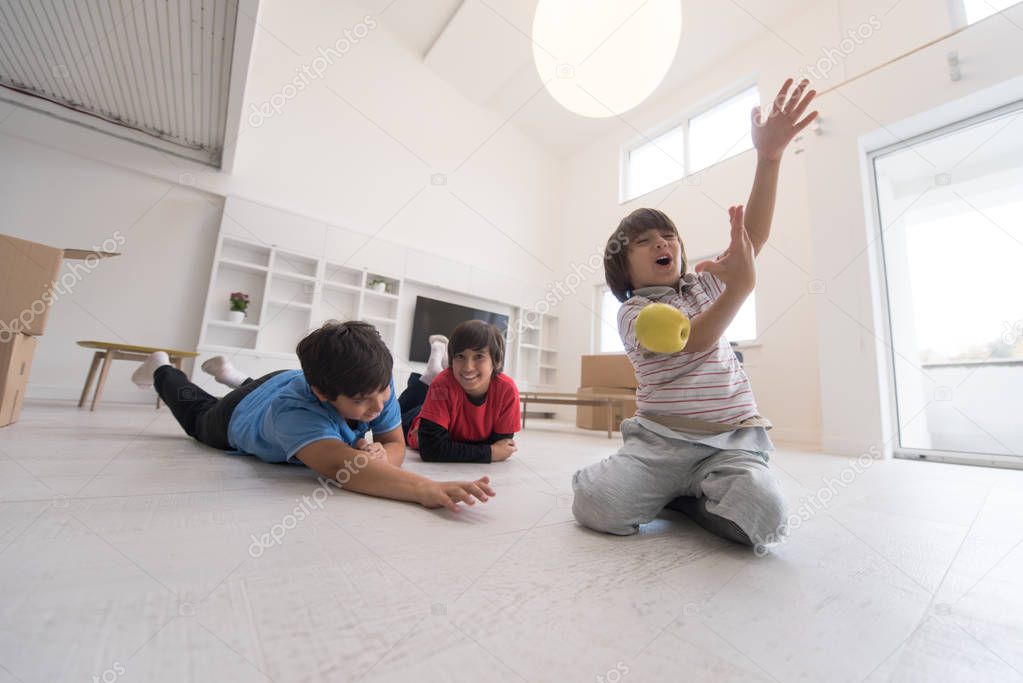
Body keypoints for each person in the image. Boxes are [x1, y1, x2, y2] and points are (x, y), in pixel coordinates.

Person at [571, 79, 818, 551]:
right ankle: (664, 486)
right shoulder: (635, 312)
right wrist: (741, 291)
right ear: (623, 273)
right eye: (644, 242)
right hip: (659, 445)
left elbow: (754, 238)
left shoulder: (705, 285)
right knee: (596, 505)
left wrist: (769, 159)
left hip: (731, 444)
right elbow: (689, 340)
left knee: (766, 518)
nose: (662, 243)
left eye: (668, 237)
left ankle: (690, 499)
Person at [131, 320, 494, 513]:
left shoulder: (376, 384)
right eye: (361, 401)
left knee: (372, 404)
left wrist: (386, 456)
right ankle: (162, 369)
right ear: (322, 394)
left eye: (381, 391)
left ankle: (231, 373)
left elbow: (394, 442)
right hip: (240, 412)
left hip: (283, 378)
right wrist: (424, 488)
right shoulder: (295, 414)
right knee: (198, 415)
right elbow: (345, 470)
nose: (378, 407)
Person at [398, 320, 521, 464]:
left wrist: (448, 446)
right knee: (397, 414)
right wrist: (490, 452)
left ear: (496, 362)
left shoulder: (507, 390)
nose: (468, 367)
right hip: (416, 421)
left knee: (436, 388)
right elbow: (431, 449)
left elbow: (503, 445)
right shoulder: (442, 384)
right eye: (460, 356)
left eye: (479, 356)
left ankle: (434, 371)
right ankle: (430, 375)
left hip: (446, 409)